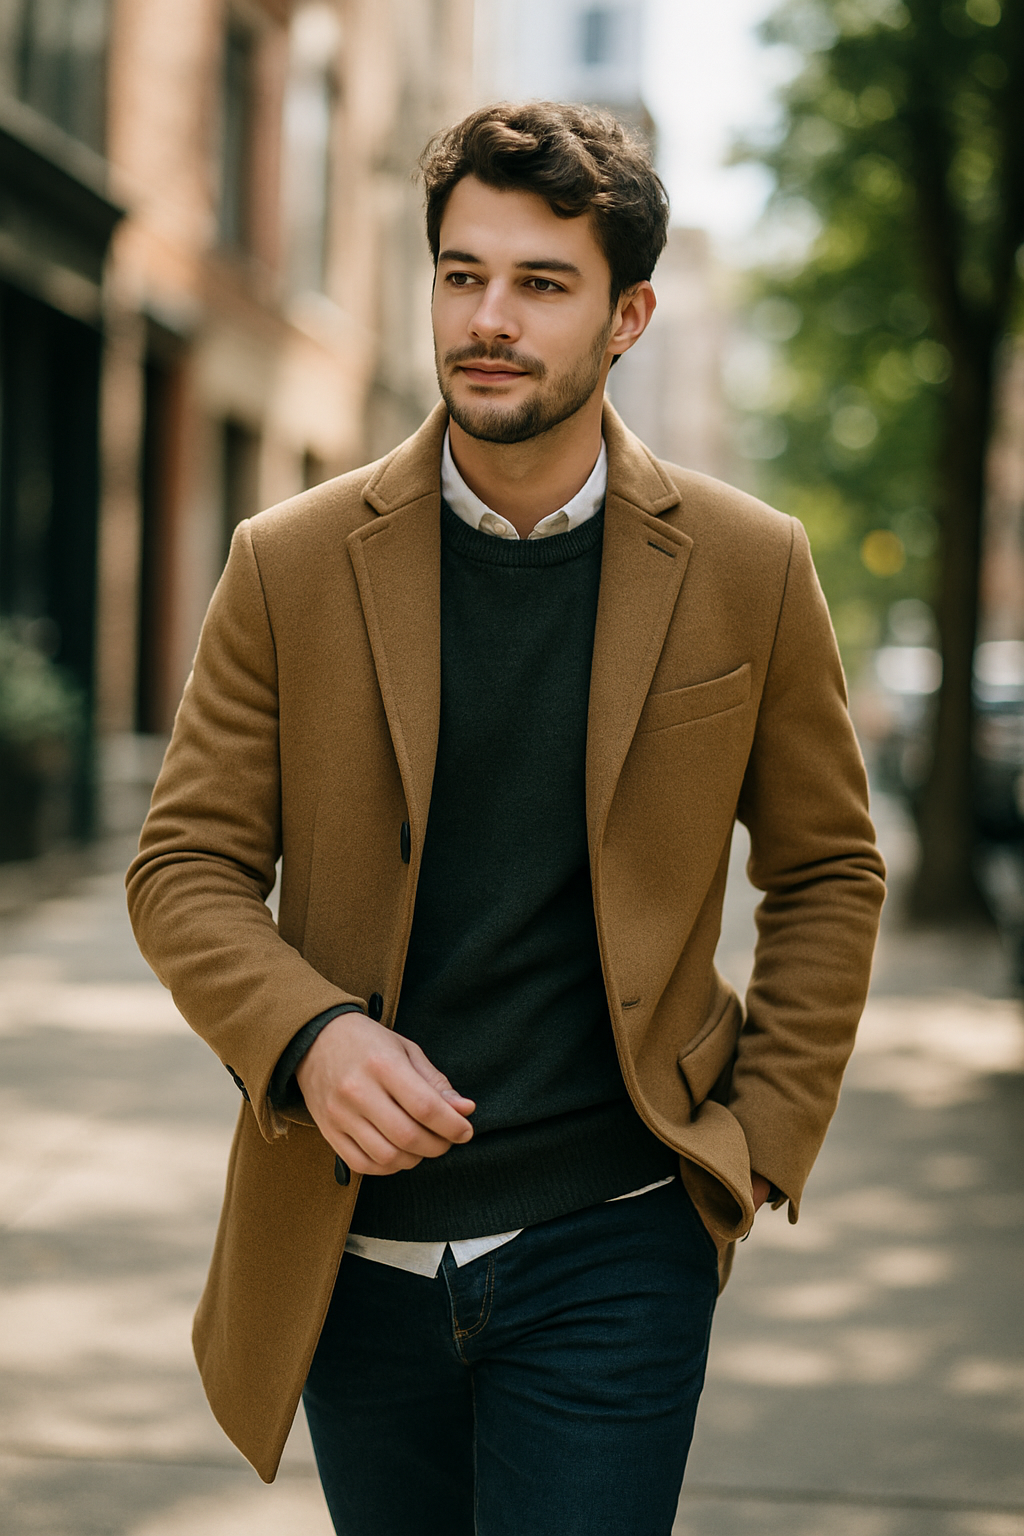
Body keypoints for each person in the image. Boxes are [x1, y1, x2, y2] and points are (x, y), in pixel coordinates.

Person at [127, 101, 885, 1536]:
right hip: (351, 1256)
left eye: (542, 285)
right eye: (462, 275)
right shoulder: (285, 564)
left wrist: (757, 1143)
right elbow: (185, 868)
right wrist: (307, 1034)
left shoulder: (750, 566)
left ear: (628, 316)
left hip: (615, 1241)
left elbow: (829, 868)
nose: (490, 318)